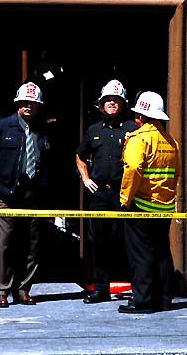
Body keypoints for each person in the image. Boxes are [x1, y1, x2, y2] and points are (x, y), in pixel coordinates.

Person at [0, 82, 50, 308]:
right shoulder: (3, 127)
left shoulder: (43, 130)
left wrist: (43, 186)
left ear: (38, 106)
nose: (29, 106)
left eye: (33, 103)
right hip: (6, 195)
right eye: (25, 103)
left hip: (33, 196)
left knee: (31, 244)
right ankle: (0, 290)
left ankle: (23, 289)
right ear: (18, 104)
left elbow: (50, 161)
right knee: (3, 244)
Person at [118, 91, 181, 314]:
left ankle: (142, 300)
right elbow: (176, 175)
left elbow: (133, 169)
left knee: (141, 254)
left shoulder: (139, 139)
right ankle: (164, 299)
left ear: (141, 117)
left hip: (141, 205)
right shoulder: (171, 142)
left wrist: (125, 198)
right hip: (164, 207)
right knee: (162, 251)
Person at [76, 79, 137, 303]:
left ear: (123, 104)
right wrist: (86, 178)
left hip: (124, 194)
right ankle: (101, 289)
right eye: (108, 100)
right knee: (99, 242)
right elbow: (80, 156)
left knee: (129, 242)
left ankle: (138, 291)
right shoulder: (93, 131)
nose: (112, 104)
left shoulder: (133, 129)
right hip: (100, 195)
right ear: (101, 105)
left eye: (116, 100)